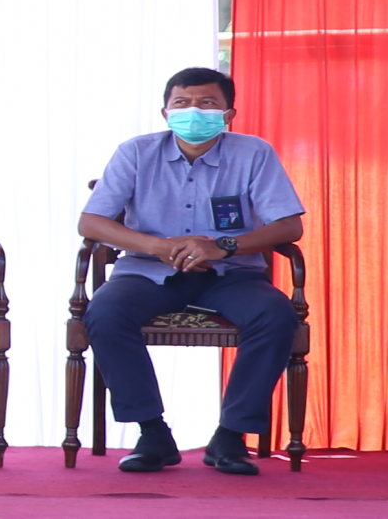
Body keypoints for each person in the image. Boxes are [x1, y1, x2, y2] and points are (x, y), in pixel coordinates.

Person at [80, 66, 303, 476]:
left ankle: (230, 436)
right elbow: (91, 222)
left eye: (207, 103)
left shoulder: (253, 153)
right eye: (182, 103)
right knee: (105, 313)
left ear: (228, 114)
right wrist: (158, 246)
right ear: (166, 112)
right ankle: (152, 433)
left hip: (231, 273)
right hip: (148, 271)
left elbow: (289, 227)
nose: (194, 112)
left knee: (275, 315)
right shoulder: (135, 152)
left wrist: (222, 246)